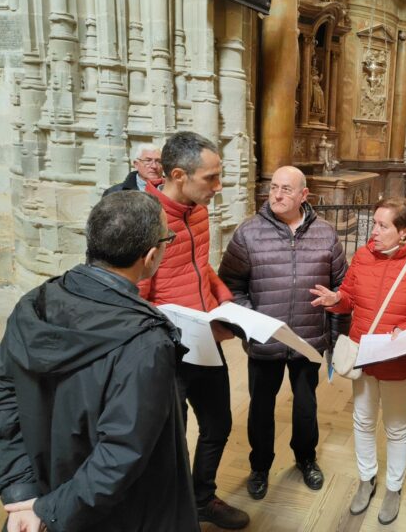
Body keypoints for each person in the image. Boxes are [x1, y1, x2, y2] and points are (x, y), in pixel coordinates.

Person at [0, 191, 199, 531]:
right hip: (116, 513)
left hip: (45, 495)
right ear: (151, 256)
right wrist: (47, 510)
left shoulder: (33, 304)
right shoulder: (146, 343)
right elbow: (121, 454)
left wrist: (22, 495)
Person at [310, 197, 406, 524]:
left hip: (399, 361)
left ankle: (394, 487)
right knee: (362, 420)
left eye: (382, 225)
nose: (374, 231)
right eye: (375, 223)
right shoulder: (361, 256)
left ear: (405, 232)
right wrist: (335, 300)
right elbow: (349, 299)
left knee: (397, 427)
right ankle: (366, 478)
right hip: (363, 356)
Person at [218, 165, 348, 501]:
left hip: (308, 339)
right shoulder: (248, 233)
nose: (277, 194)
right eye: (274, 187)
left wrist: (335, 337)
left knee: (306, 406)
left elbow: (341, 289)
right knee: (261, 407)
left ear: (304, 195)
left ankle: (306, 458)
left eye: (286, 189)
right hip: (265, 340)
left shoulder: (326, 234)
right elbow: (231, 286)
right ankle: (259, 465)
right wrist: (251, 324)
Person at [140, 131, 249, 530]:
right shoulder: (144, 219)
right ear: (178, 174)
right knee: (172, 438)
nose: (218, 188)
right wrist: (177, 329)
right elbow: (136, 298)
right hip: (168, 351)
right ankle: (173, 511)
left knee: (218, 424)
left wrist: (227, 305)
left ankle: (202, 498)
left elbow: (200, 268)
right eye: (211, 178)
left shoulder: (199, 212)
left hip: (204, 340)